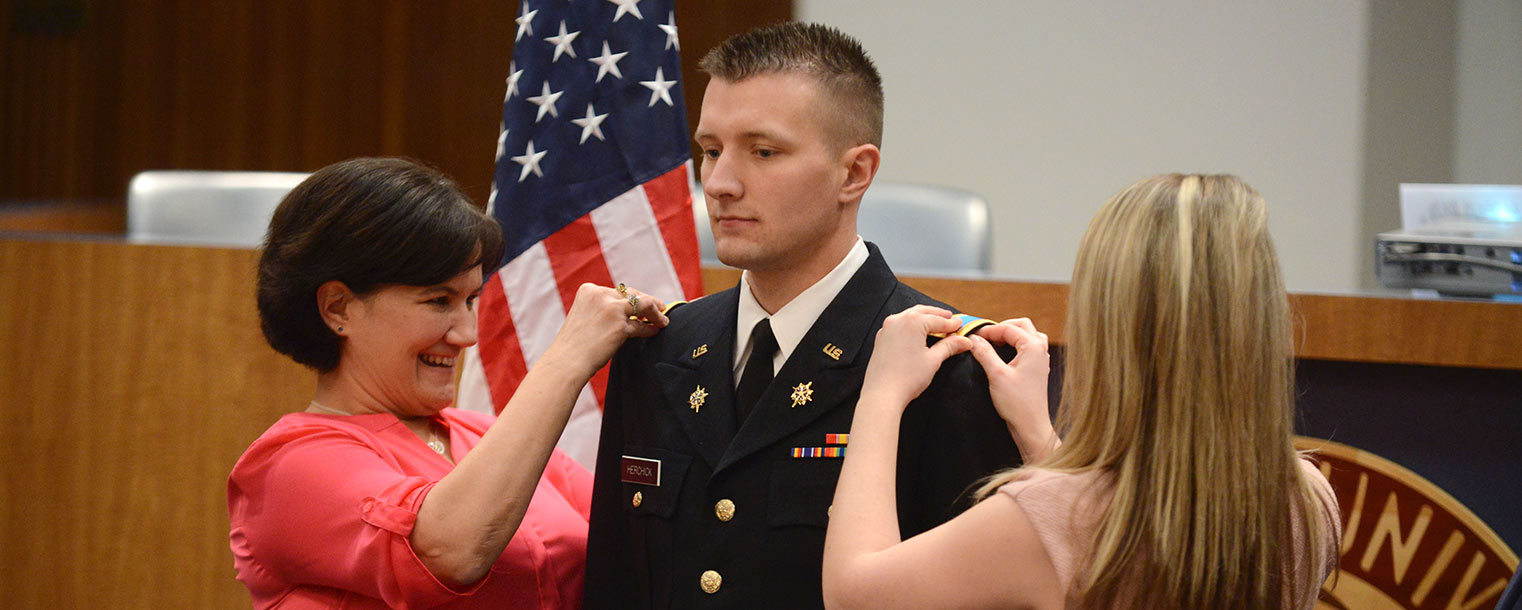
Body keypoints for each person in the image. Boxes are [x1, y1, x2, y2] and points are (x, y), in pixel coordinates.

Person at [583, 23, 1021, 609]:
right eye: (710, 151)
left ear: (854, 173)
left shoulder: (952, 369)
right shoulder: (659, 350)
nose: (719, 183)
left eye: (763, 152)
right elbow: (615, 583)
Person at [821, 174, 1343, 609]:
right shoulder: (1307, 500)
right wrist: (1038, 437)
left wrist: (881, 394)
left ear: (1111, 326)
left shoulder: (1038, 519)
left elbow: (854, 592)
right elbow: (1125, 521)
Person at [227, 157, 669, 609]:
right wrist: (568, 358)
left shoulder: (485, 434)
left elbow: (644, 543)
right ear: (339, 308)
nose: (467, 334)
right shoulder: (287, 467)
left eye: (471, 300)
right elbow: (448, 551)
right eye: (439, 301)